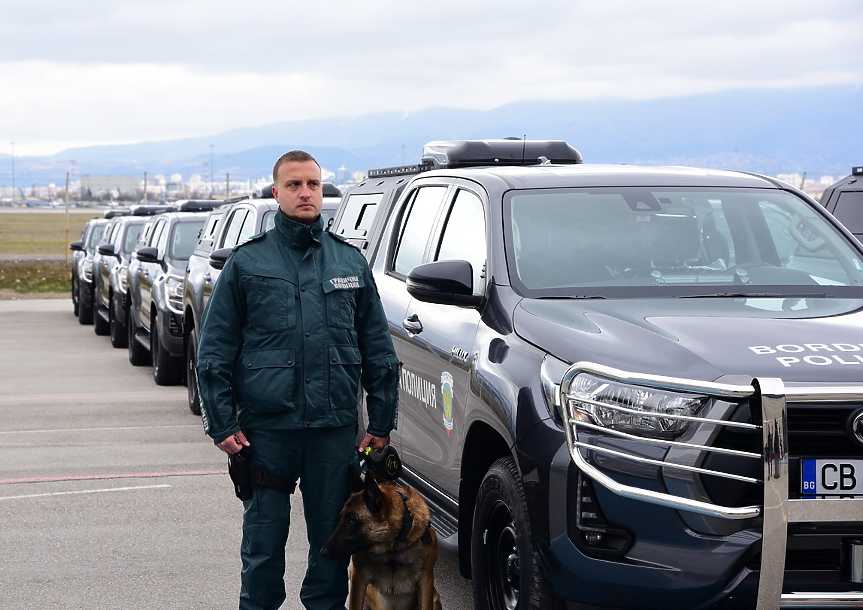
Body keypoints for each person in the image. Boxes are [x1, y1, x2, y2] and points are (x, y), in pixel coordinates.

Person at [196, 150, 400, 610]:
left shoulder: (349, 263)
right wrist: (222, 425)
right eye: (294, 185)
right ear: (276, 193)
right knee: (263, 547)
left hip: (332, 432)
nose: (306, 193)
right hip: (268, 434)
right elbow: (213, 352)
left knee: (332, 546)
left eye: (313, 184)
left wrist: (381, 423)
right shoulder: (247, 265)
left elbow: (379, 352)